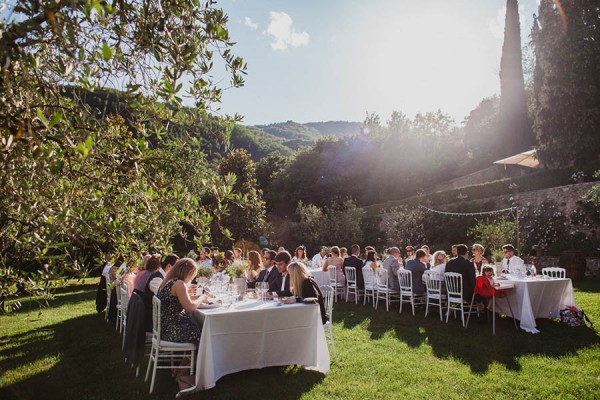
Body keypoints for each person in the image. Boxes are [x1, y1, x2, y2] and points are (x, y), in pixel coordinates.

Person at [157, 258, 209, 344]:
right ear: (188, 272)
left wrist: (197, 297)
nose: (192, 278)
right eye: (192, 275)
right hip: (172, 330)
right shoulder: (179, 284)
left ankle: (190, 357)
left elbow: (176, 300)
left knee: (199, 326)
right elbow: (190, 307)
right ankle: (199, 357)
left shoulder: (168, 281)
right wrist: (202, 297)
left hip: (164, 327)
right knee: (204, 333)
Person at [144, 253, 179, 332]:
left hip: (160, 313)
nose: (178, 270)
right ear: (169, 266)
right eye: (176, 267)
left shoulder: (164, 276)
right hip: (153, 318)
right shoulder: (157, 279)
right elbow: (165, 298)